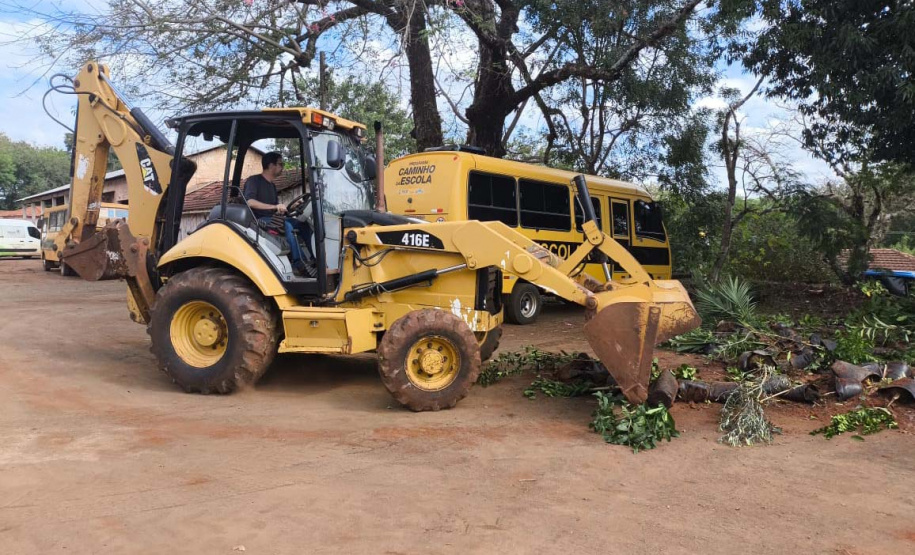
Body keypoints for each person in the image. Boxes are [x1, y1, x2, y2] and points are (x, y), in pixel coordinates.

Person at [243, 152, 314, 276]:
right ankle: (299, 264)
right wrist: (275, 207)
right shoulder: (254, 181)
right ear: (271, 166)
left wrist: (290, 207)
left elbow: (277, 208)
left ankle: (314, 258)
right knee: (287, 226)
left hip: (273, 219)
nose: (283, 167)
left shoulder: (272, 186)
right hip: (258, 220)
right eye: (281, 164)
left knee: (302, 223)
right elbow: (250, 202)